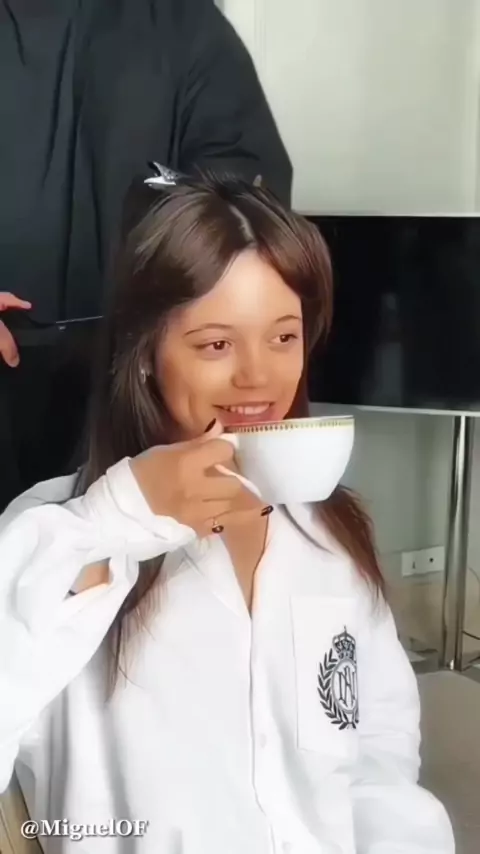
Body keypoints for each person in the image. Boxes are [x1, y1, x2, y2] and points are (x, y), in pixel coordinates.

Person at [0, 176, 454, 854]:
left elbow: (375, 746)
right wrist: (120, 517)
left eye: (284, 337)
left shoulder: (331, 535)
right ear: (145, 355)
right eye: (216, 344)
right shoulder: (56, 532)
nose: (258, 378)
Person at [0, 0, 291, 508]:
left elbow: (248, 199)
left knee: (136, 540)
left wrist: (182, 323)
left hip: (141, 374)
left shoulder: (180, 21)